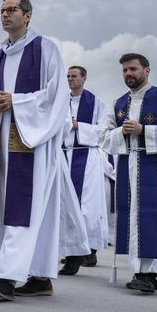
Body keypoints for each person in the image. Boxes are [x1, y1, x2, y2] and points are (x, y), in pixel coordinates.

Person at [0, 0, 84, 301]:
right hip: (4, 138)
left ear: (28, 16)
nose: (5, 15)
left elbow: (56, 93)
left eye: (12, 10)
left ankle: (7, 277)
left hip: (32, 140)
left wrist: (17, 101)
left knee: (25, 205)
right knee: (17, 207)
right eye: (1, 10)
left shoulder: (45, 48)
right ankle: (39, 276)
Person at [99, 53, 157, 294]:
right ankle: (142, 271)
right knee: (133, 218)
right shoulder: (118, 103)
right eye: (125, 70)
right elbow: (102, 136)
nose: (128, 74)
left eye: (133, 69)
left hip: (156, 166)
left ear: (147, 71)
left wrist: (144, 130)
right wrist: (121, 133)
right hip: (128, 163)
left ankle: (150, 273)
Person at [59, 65, 110, 274]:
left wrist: (79, 125)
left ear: (84, 78)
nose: (70, 79)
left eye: (74, 76)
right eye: (68, 76)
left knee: (88, 207)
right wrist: (66, 125)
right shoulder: (61, 101)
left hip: (87, 156)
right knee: (66, 206)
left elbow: (104, 130)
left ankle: (88, 249)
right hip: (64, 154)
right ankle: (71, 249)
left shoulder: (97, 103)